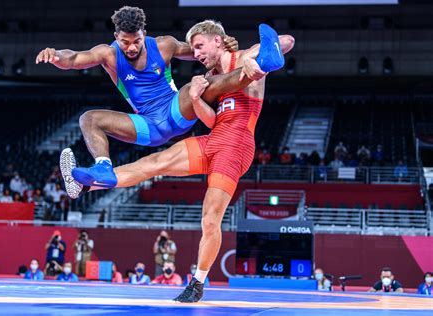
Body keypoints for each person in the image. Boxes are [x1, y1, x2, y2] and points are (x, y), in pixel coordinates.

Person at [63, 21, 292, 302]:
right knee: (155, 163)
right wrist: (196, 99)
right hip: (215, 138)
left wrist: (268, 51)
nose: (195, 54)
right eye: (193, 48)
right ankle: (88, 186)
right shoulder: (210, 76)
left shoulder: (244, 56)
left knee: (210, 219)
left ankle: (197, 283)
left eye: (199, 46)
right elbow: (211, 121)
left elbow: (288, 40)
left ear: (217, 41)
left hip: (237, 146)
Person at [48, 7, 289, 198]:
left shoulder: (164, 45)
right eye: (125, 42)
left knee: (197, 84)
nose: (131, 47)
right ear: (116, 37)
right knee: (88, 119)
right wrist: (56, 55)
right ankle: (102, 168)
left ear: (144, 33)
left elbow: (200, 51)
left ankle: (261, 66)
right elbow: (75, 58)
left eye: (137, 41)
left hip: (176, 111)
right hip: (148, 126)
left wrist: (224, 44)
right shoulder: (108, 54)